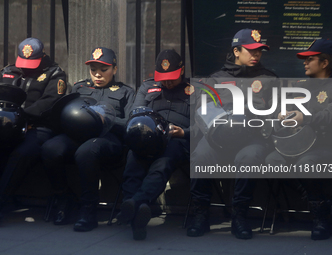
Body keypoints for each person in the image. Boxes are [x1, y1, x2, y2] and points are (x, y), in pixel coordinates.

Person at [187, 28, 277, 239]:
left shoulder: (269, 78)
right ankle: (201, 214)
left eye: (260, 51)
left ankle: (239, 216)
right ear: (236, 51)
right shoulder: (216, 79)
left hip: (252, 138)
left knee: (250, 157)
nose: (256, 55)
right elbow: (203, 112)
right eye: (251, 50)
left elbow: (276, 111)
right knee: (200, 156)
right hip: (218, 138)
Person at [41, 47, 135, 231]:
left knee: (87, 151)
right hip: (76, 136)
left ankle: (88, 210)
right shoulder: (79, 88)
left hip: (108, 140)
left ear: (114, 70)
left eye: (103, 70)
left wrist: (107, 120)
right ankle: (64, 198)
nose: (98, 75)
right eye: (93, 70)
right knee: (49, 148)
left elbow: (130, 123)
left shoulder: (125, 92)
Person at [117, 49, 197, 240]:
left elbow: (205, 126)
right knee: (133, 160)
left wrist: (184, 132)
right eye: (164, 78)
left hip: (177, 140)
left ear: (182, 70)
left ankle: (134, 203)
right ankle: (137, 215)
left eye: (172, 78)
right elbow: (135, 114)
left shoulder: (195, 90)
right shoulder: (148, 87)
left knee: (162, 164)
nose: (167, 82)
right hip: (148, 138)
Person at [265, 38, 332, 240]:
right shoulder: (302, 86)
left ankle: (320, 219)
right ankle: (324, 200)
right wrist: (283, 114)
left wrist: (305, 117)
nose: (304, 62)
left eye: (310, 59)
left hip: (329, 144)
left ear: (325, 63)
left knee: (306, 163)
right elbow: (285, 110)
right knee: (272, 161)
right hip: (300, 143)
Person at [0, 37, 67, 212]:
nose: (26, 67)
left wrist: (22, 116)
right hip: (7, 125)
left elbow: (50, 101)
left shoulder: (55, 74)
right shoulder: (8, 71)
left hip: (38, 127)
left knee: (21, 154)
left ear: (42, 56)